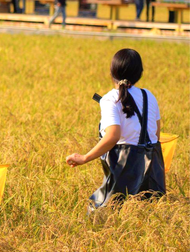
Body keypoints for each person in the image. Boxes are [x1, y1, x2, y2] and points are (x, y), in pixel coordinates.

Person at [66, 49, 165, 210]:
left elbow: (113, 136)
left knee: (100, 213)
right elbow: (156, 134)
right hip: (154, 167)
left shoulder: (110, 99)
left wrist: (84, 158)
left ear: (112, 72)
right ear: (140, 73)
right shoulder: (149, 96)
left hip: (125, 165)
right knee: (149, 213)